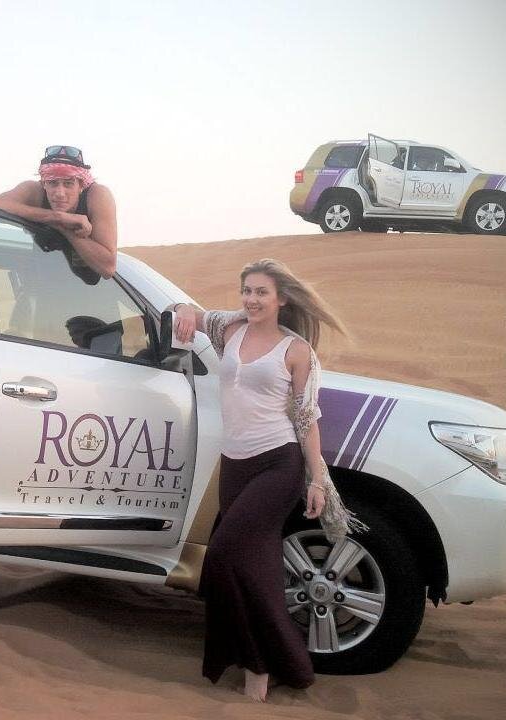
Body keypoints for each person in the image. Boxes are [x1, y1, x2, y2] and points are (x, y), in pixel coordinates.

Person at [172, 258, 360, 702]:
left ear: (282, 299)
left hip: (277, 464)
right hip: (234, 464)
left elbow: (307, 419)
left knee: (222, 554)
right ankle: (282, 664)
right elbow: (189, 311)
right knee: (256, 569)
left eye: (261, 292)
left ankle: (258, 665)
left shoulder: (296, 351)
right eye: (247, 291)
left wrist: (317, 481)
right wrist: (182, 310)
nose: (252, 300)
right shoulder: (230, 329)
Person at [0, 145, 117, 278]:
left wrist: (64, 229)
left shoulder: (97, 196)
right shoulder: (34, 191)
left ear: (81, 185)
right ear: (44, 183)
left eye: (68, 184)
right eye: (53, 183)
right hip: (42, 280)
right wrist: (55, 217)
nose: (60, 193)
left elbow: (108, 268)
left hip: (86, 287)